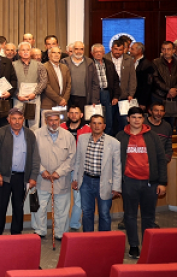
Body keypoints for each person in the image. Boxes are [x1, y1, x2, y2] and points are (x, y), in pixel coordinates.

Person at [118, 107, 167, 259]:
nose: (137, 120)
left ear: (143, 119)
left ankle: (147, 245)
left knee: (148, 216)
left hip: (150, 183)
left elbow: (161, 159)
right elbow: (115, 161)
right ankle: (134, 246)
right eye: (133, 117)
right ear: (128, 119)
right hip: (129, 182)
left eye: (139, 117)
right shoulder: (120, 136)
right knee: (130, 216)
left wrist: (162, 182)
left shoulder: (152, 136)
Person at [0, 107, 40, 235]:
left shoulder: (30, 135)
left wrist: (33, 176)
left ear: (23, 119)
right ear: (8, 119)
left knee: (18, 207)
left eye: (19, 118)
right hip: (3, 177)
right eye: (14, 118)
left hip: (21, 178)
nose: (17, 121)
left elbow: (35, 157)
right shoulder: (0, 133)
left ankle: (16, 233)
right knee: (0, 207)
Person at [72, 114, 121, 232]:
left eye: (99, 123)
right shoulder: (82, 139)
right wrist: (75, 179)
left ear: (104, 126)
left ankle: (103, 240)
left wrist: (116, 187)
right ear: (90, 125)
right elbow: (78, 160)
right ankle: (88, 239)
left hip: (104, 182)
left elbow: (117, 167)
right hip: (86, 181)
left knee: (104, 213)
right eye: (94, 123)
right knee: (87, 212)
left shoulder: (114, 142)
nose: (97, 126)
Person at [31, 111, 75, 241]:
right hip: (42, 178)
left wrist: (59, 172)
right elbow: (32, 156)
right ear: (46, 121)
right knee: (40, 207)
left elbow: (72, 158)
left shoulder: (68, 136)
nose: (54, 123)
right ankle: (40, 231)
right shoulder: (36, 134)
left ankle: (60, 233)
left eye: (56, 120)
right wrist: (42, 170)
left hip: (61, 178)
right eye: (51, 120)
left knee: (61, 208)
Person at [60, 105, 92, 232]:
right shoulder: (61, 127)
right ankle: (61, 225)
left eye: (76, 113)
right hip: (62, 167)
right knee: (62, 198)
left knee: (78, 198)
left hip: (79, 168)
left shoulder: (88, 129)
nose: (74, 115)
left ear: (81, 115)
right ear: (68, 114)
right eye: (71, 113)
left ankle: (74, 224)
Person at [12, 42, 47, 131]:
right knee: (17, 124)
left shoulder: (39, 65)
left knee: (34, 126)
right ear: (19, 52)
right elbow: (10, 82)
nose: (25, 52)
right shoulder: (13, 65)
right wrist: (17, 95)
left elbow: (43, 81)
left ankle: (32, 140)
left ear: (31, 52)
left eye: (28, 50)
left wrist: (34, 93)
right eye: (23, 50)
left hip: (34, 98)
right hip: (18, 99)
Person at [106, 39, 137, 135]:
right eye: (116, 49)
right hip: (109, 96)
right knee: (109, 122)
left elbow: (132, 78)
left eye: (120, 50)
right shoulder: (105, 58)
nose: (118, 52)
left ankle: (123, 140)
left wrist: (131, 94)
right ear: (111, 48)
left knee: (124, 122)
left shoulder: (129, 60)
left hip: (124, 96)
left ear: (124, 50)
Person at [91, 44, 120, 136]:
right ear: (92, 53)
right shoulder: (89, 64)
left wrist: (116, 96)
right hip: (94, 93)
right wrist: (93, 98)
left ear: (104, 53)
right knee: (95, 118)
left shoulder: (109, 63)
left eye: (100, 51)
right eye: (96, 52)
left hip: (107, 93)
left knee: (108, 119)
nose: (98, 53)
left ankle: (107, 137)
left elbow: (116, 81)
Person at [60, 41, 99, 109]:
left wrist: (94, 99)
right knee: (69, 115)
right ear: (72, 49)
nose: (79, 51)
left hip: (85, 97)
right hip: (68, 97)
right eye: (76, 49)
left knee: (83, 115)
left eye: (81, 49)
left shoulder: (90, 62)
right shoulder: (64, 62)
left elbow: (95, 82)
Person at [151, 41, 177, 122]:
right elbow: (155, 79)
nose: (166, 52)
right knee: (156, 122)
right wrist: (168, 90)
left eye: (168, 49)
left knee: (170, 123)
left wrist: (175, 90)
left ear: (174, 50)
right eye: (164, 49)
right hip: (159, 96)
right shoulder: (155, 62)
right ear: (161, 50)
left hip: (173, 97)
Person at [42, 46, 71, 111]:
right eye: (54, 52)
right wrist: (59, 100)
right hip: (48, 104)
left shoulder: (65, 67)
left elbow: (68, 85)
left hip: (63, 104)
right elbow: (46, 86)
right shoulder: (44, 67)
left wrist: (65, 99)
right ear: (49, 55)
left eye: (59, 53)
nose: (56, 55)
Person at [130, 42, 153, 110]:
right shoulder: (129, 61)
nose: (129, 50)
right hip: (130, 97)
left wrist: (143, 102)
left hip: (140, 99)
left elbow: (147, 85)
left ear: (139, 50)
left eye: (132, 49)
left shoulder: (147, 65)